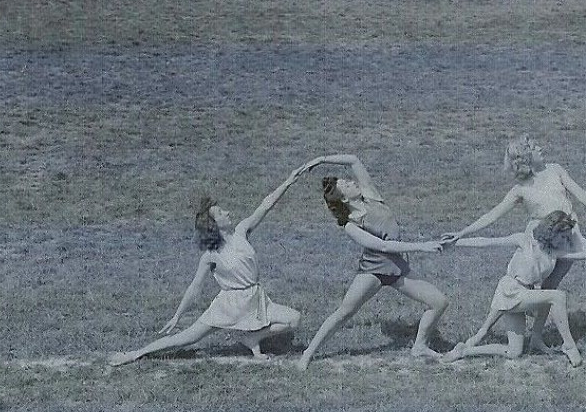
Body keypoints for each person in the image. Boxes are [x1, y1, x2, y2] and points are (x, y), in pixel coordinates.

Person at [109, 165, 311, 367]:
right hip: (229, 305)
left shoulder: (242, 231)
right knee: (188, 338)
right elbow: (194, 288)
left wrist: (288, 181)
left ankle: (252, 338)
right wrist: (177, 316)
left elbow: (265, 205)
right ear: (214, 224)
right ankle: (136, 354)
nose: (227, 212)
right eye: (221, 213)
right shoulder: (210, 256)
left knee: (294, 319)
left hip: (256, 298)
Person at [449, 136, 586, 350]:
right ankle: (496, 327)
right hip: (542, 240)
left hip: (566, 235)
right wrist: (463, 232)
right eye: (535, 147)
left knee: (551, 286)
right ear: (526, 157)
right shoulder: (520, 189)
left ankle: (536, 337)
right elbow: (493, 214)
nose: (542, 147)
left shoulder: (556, 170)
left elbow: (582, 194)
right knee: (534, 283)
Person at [296, 154, 451, 369]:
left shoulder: (371, 196)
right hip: (373, 270)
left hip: (398, 268)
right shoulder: (350, 225)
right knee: (345, 312)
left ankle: (420, 346)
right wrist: (422, 246)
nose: (352, 182)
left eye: (349, 180)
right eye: (346, 185)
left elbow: (353, 160)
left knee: (439, 302)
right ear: (343, 198)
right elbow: (384, 247)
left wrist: (321, 160)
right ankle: (308, 353)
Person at [441, 211, 586, 367]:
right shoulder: (524, 240)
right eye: (563, 236)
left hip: (523, 295)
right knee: (557, 296)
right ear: (552, 232)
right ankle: (569, 345)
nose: (566, 241)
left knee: (514, 352)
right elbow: (486, 242)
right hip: (510, 291)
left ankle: (464, 351)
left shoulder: (556, 253)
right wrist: (457, 239)